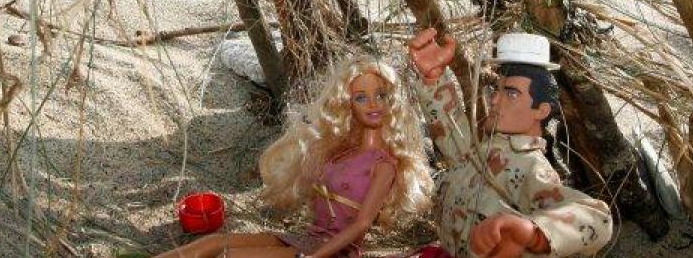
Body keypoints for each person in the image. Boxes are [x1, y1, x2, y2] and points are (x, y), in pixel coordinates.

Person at [158, 57, 435, 258]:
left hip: (331, 252)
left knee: (230, 255)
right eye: (361, 97)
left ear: (391, 101)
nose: (373, 103)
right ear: (347, 104)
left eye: (380, 95)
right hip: (308, 238)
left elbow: (362, 223)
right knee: (213, 243)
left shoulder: (384, 165)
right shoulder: (342, 149)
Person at [407, 29, 613, 258]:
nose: (495, 99)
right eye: (496, 89)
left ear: (541, 110)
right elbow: (452, 132)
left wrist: (532, 233)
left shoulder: (530, 168)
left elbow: (598, 219)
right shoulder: (484, 150)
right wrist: (433, 78)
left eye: (512, 93)